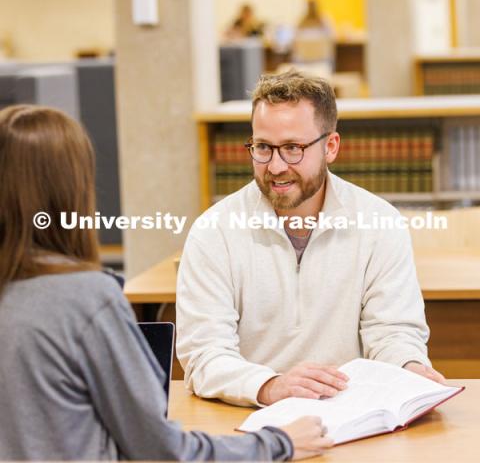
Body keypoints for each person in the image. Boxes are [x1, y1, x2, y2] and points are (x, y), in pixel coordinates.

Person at [0, 105, 333, 460]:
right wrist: (279, 442)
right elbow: (162, 452)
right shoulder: (84, 299)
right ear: (70, 189)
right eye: (264, 147)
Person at [176, 70, 446, 408]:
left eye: (292, 148)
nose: (275, 166)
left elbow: (392, 333)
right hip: (249, 424)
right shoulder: (213, 233)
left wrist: (411, 368)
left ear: (330, 146)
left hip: (351, 416)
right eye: (262, 148)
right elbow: (204, 355)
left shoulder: (380, 223)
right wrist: (271, 386)